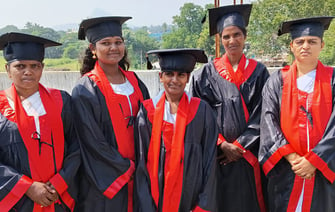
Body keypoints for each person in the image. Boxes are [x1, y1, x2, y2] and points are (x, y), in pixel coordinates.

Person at [189, 4, 269, 212]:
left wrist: (240, 146)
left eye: (236, 35)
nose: (232, 41)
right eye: (226, 36)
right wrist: (221, 144)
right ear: (219, 39)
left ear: (244, 36)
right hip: (217, 157)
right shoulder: (203, 75)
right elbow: (198, 116)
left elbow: (263, 113)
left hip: (248, 157)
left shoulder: (259, 72)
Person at [72, 16, 150, 212]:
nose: (113, 47)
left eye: (118, 42)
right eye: (105, 43)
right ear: (93, 49)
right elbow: (91, 141)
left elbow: (151, 122)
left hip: (140, 172)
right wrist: (125, 167)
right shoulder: (85, 88)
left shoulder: (134, 81)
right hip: (105, 182)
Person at [259, 16, 335, 212]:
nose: (305, 46)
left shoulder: (333, 80)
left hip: (325, 170)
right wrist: (293, 158)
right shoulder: (277, 81)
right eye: (300, 42)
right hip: (287, 170)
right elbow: (269, 122)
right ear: (292, 46)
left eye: (312, 41)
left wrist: (314, 160)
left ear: (322, 45)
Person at [0, 32, 80, 211]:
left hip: (58, 197)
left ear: (42, 68)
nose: (28, 71)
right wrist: (27, 187)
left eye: (34, 66)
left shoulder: (62, 100)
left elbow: (76, 147)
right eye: (20, 66)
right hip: (17, 202)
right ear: (7, 70)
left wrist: (59, 184)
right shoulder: (0, 107)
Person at [134, 48, 217, 212]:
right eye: (169, 74)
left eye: (181, 75)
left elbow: (210, 162)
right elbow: (141, 164)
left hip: (191, 200)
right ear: (160, 77)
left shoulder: (201, 111)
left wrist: (203, 204)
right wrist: (146, 205)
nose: (175, 80)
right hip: (155, 201)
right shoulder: (147, 111)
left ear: (187, 79)